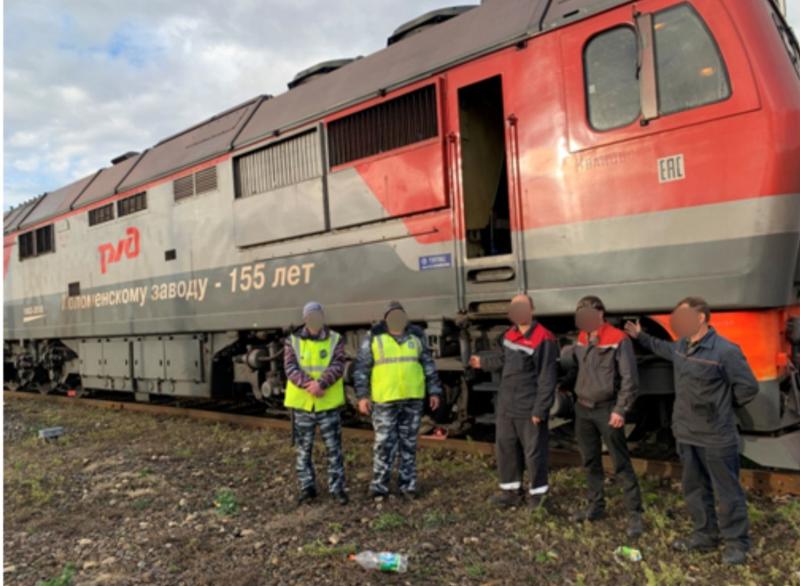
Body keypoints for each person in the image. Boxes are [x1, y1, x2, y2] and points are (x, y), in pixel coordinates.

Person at [624, 297, 759, 565]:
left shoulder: (725, 351)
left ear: (700, 319)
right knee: (695, 488)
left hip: (717, 434)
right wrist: (640, 336)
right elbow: (660, 347)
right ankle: (705, 535)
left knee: (727, 490)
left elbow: (748, 387)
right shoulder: (682, 347)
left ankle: (736, 543)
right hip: (686, 432)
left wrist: (720, 407)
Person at [563, 296, 643, 537]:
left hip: (607, 409)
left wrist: (620, 409)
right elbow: (578, 369)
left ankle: (635, 514)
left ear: (600, 314)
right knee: (590, 461)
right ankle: (595, 507)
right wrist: (564, 387)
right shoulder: (581, 338)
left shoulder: (618, 339)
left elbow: (630, 379)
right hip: (583, 408)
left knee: (620, 462)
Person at [469, 293, 558, 508]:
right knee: (506, 448)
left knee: (534, 451)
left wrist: (540, 409)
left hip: (528, 405)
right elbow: (503, 359)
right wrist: (483, 362)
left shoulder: (544, 338)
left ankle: (538, 496)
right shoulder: (509, 335)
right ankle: (510, 492)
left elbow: (547, 377)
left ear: (531, 310)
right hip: (507, 403)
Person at [353, 300, 442, 500]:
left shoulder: (416, 337)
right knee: (384, 444)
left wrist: (434, 391)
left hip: (412, 398)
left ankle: (407, 485)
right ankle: (379, 487)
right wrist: (362, 396)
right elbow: (361, 369)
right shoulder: (374, 339)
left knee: (409, 444)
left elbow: (428, 364)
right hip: (385, 399)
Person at [283, 301, 348, 505]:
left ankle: (337, 488)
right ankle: (307, 488)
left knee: (334, 449)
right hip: (303, 404)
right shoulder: (292, 341)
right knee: (303, 450)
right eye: (311, 316)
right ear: (305, 319)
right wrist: (308, 385)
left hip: (327, 403)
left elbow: (339, 364)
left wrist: (321, 383)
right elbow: (290, 367)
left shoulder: (335, 339)